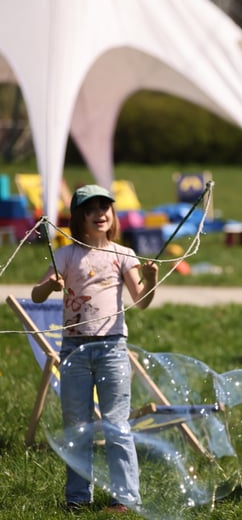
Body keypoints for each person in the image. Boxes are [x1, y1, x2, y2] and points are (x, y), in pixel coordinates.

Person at [30, 184, 159, 512]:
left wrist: (151, 279)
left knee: (117, 424)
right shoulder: (65, 255)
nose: (100, 214)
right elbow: (36, 296)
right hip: (73, 348)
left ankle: (125, 498)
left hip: (112, 348)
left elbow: (141, 302)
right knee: (77, 426)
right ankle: (76, 498)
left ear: (113, 215)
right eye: (91, 209)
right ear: (78, 217)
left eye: (105, 207)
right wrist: (50, 285)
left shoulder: (123, 255)